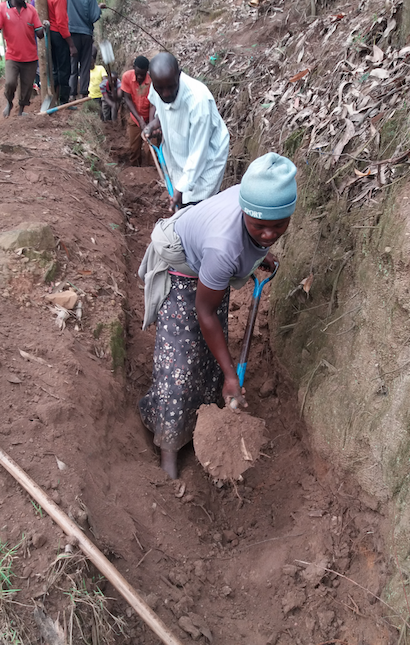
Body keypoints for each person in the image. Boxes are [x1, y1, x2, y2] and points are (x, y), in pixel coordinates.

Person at [138, 153, 297, 479]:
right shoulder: (224, 247)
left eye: (278, 226)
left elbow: (257, 233)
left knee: (212, 351)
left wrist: (260, 254)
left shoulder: (258, 198)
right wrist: (231, 374)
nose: (268, 235)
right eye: (259, 227)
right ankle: (168, 446)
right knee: (180, 360)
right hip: (182, 263)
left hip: (208, 263)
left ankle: (205, 417)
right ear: (245, 213)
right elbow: (204, 310)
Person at [143, 52, 229, 211]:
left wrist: (181, 189)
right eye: (160, 89)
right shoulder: (159, 85)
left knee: (197, 206)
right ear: (152, 80)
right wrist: (155, 123)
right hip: (178, 151)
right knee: (181, 198)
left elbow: (199, 153)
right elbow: (157, 106)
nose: (166, 93)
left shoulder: (198, 102)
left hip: (206, 160)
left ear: (179, 74)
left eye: (171, 87)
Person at [0, 0, 47, 117]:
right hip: (13, 56)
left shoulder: (31, 10)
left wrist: (44, 28)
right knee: (10, 83)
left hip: (30, 57)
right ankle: (9, 102)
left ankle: (21, 111)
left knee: (27, 87)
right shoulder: (2, 8)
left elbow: (39, 35)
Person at [64, 0, 105, 100]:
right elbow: (94, 16)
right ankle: (83, 93)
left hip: (70, 34)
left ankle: (71, 94)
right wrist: (98, 8)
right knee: (85, 64)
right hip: (86, 34)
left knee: (72, 64)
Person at [46, 0, 77, 105]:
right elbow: (62, 23)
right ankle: (63, 100)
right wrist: (71, 44)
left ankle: (55, 96)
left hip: (49, 35)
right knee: (64, 68)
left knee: (54, 67)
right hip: (58, 34)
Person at [120, 56, 155, 166]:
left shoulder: (152, 80)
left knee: (151, 149)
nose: (140, 77)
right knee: (134, 148)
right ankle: (135, 169)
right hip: (135, 118)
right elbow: (128, 99)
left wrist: (150, 125)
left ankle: (152, 172)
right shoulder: (126, 77)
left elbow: (153, 104)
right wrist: (140, 121)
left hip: (152, 118)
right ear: (133, 68)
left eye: (143, 74)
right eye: (138, 74)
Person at [88, 46, 107, 118]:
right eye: (88, 63)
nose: (90, 64)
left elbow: (105, 79)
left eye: (91, 62)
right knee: (94, 114)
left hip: (101, 95)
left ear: (94, 61)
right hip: (90, 97)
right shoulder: (84, 72)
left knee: (102, 113)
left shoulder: (100, 68)